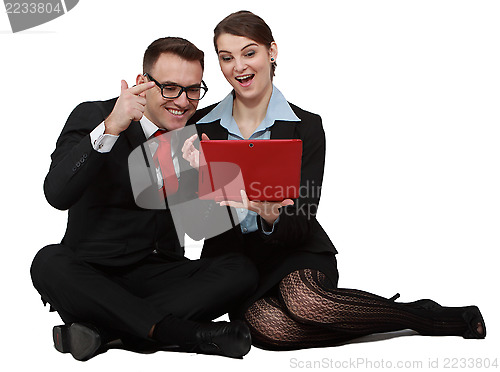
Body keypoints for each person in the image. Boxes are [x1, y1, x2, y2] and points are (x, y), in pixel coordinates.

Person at [183, 11, 486, 350]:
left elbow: (301, 219)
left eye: (249, 52)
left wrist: (269, 214)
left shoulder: (307, 126)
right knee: (269, 330)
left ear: (272, 51)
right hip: (234, 265)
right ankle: (406, 313)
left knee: (307, 302)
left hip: (296, 250)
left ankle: (427, 318)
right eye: (227, 58)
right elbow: (196, 227)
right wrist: (197, 177)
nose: (238, 67)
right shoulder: (199, 128)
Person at [30, 36, 259, 361]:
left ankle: (104, 333)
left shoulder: (193, 134)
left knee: (241, 270)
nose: (183, 101)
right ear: (143, 84)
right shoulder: (95, 116)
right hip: (94, 276)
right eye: (170, 88)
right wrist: (111, 127)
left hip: (161, 275)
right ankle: (186, 334)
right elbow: (56, 193)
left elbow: (199, 228)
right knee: (47, 262)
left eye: (193, 89)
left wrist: (206, 177)